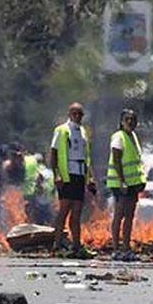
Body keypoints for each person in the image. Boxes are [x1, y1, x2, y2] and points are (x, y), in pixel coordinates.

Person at [50, 103, 96, 259]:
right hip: (66, 173)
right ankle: (57, 244)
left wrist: (89, 178)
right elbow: (54, 153)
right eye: (75, 114)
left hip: (79, 173)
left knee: (77, 211)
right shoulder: (62, 130)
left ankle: (77, 246)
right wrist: (56, 174)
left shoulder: (83, 132)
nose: (78, 117)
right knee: (64, 209)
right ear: (69, 114)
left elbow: (87, 157)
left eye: (80, 114)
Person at [106, 108, 145, 262]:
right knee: (119, 215)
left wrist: (140, 182)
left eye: (133, 119)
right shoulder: (118, 137)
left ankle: (126, 248)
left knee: (129, 216)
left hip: (132, 184)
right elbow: (116, 160)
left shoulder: (133, 136)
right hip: (120, 183)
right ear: (121, 122)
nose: (130, 122)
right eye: (127, 119)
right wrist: (122, 181)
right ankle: (116, 249)